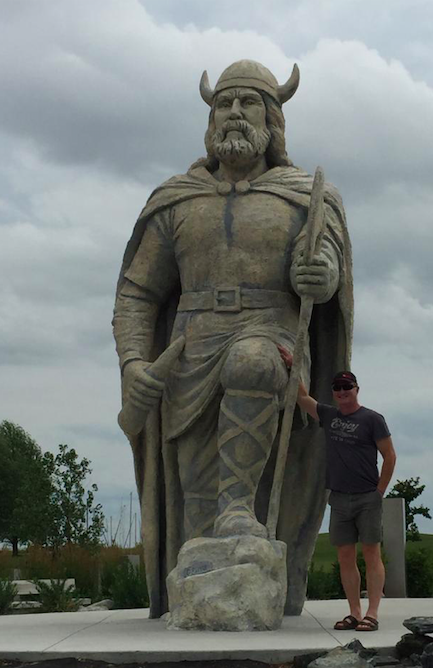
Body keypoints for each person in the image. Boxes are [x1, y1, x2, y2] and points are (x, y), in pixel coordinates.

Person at [113, 60, 354, 617]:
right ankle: (207, 595)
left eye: (249, 103)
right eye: (225, 103)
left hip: (271, 331)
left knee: (253, 363)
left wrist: (322, 276)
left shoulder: (303, 196)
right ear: (210, 117)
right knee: (195, 494)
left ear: (273, 119)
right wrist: (133, 364)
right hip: (189, 350)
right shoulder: (176, 199)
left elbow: (326, 274)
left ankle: (240, 514)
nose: (236, 113)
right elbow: (137, 294)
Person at [278, 347, 396, 630]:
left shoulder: (372, 419)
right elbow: (303, 397)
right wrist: (293, 366)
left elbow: (389, 456)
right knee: (345, 555)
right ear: (333, 392)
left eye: (347, 387)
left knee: (371, 553)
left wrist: (379, 491)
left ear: (357, 389)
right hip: (339, 498)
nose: (343, 391)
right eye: (338, 388)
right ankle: (354, 612)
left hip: (368, 496)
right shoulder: (330, 416)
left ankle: (373, 613)